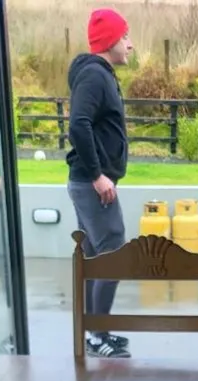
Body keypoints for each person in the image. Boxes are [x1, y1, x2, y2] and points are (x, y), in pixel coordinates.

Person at [67, 8, 134, 359]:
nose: (131, 45)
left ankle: (97, 331)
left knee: (97, 259)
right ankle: (96, 335)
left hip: (87, 183)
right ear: (110, 41)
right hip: (89, 183)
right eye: (126, 37)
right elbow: (78, 125)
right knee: (113, 252)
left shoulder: (98, 74)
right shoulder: (94, 76)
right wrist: (97, 175)